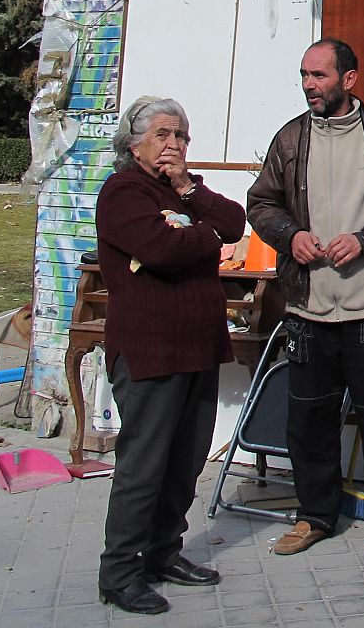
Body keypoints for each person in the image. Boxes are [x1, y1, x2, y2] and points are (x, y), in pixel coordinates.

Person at [247, 39, 364, 557]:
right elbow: (260, 202)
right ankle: (313, 517)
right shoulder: (288, 140)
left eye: (319, 76)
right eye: (304, 75)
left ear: (348, 80)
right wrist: (290, 235)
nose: (309, 85)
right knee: (308, 422)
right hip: (309, 310)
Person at [97, 96, 245, 616]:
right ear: (133, 142)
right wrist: (207, 239)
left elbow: (234, 221)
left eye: (181, 135)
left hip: (197, 346)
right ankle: (120, 572)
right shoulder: (123, 192)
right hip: (150, 349)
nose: (174, 145)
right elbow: (160, 251)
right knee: (144, 464)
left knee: (184, 462)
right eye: (163, 134)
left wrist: (189, 192)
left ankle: (164, 553)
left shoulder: (183, 192)